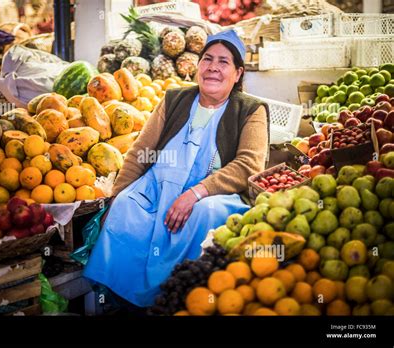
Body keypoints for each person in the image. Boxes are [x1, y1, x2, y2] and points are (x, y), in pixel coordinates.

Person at [84, 29, 270, 308]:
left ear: (238, 73)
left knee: (203, 214)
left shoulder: (251, 110)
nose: (213, 68)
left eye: (223, 62)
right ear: (198, 65)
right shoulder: (174, 100)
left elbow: (248, 166)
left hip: (211, 196)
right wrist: (115, 195)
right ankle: (120, 301)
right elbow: (140, 153)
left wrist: (195, 193)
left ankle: (177, 300)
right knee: (125, 207)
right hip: (157, 191)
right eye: (207, 59)